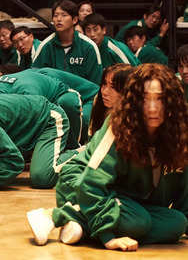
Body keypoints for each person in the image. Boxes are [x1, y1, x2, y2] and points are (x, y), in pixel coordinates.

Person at [26, 64, 188, 250]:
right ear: (135, 101)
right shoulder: (120, 124)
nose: (152, 108)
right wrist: (108, 237)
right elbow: (91, 183)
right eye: (145, 99)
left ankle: (83, 228)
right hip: (81, 185)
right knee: (138, 222)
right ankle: (57, 215)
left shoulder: (179, 131)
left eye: (160, 99)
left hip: (127, 198)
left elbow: (184, 184)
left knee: (176, 223)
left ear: (172, 101)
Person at [0, 68, 90, 147]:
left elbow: (34, 127)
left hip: (59, 92)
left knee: (68, 103)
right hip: (32, 80)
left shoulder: (28, 95)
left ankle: (74, 148)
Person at [32, 0, 102, 84]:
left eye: (64, 15)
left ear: (75, 20)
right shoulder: (46, 46)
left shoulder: (88, 47)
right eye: (55, 15)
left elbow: (95, 83)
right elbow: (36, 78)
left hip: (83, 95)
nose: (59, 19)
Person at [88, 64, 132, 136]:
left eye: (113, 87)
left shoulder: (131, 120)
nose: (104, 92)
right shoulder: (98, 100)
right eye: (104, 84)